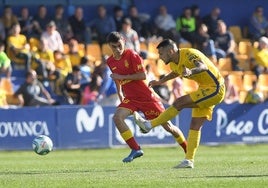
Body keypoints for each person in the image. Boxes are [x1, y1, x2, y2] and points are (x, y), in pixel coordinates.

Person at [134, 38, 225, 168]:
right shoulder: (173, 63)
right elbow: (175, 73)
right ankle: (189, 160)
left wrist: (190, 71)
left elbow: (202, 66)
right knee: (195, 125)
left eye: (161, 54)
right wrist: (160, 82)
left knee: (179, 102)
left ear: (171, 51)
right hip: (204, 88)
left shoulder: (189, 54)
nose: (159, 57)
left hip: (215, 88)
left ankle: (149, 125)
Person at [106, 32, 187, 163]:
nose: (118, 49)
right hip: (131, 98)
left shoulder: (132, 55)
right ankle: (135, 149)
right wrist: (120, 92)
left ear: (124, 42)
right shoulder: (110, 61)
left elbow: (142, 76)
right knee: (117, 117)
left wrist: (122, 78)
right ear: (109, 46)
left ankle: (188, 150)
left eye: (119, 45)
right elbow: (116, 76)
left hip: (146, 97)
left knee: (169, 127)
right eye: (114, 47)